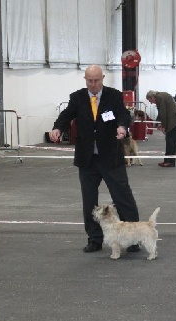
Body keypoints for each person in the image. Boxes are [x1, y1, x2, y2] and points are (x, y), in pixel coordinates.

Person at [49, 65, 140, 253]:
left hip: (110, 156)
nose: (93, 84)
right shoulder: (77, 97)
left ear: (103, 78)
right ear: (85, 79)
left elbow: (123, 114)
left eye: (97, 80)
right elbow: (66, 116)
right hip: (87, 158)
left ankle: (133, 238)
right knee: (89, 201)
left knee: (123, 196)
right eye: (90, 81)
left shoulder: (114, 96)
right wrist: (58, 128)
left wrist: (122, 127)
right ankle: (94, 238)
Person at [146, 90, 176, 167]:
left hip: (174, 120)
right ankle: (168, 160)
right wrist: (161, 123)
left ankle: (170, 161)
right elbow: (162, 112)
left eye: (150, 100)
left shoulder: (159, 97)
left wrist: (163, 126)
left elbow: (163, 112)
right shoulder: (162, 95)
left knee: (170, 140)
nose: (150, 102)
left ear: (152, 97)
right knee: (171, 140)